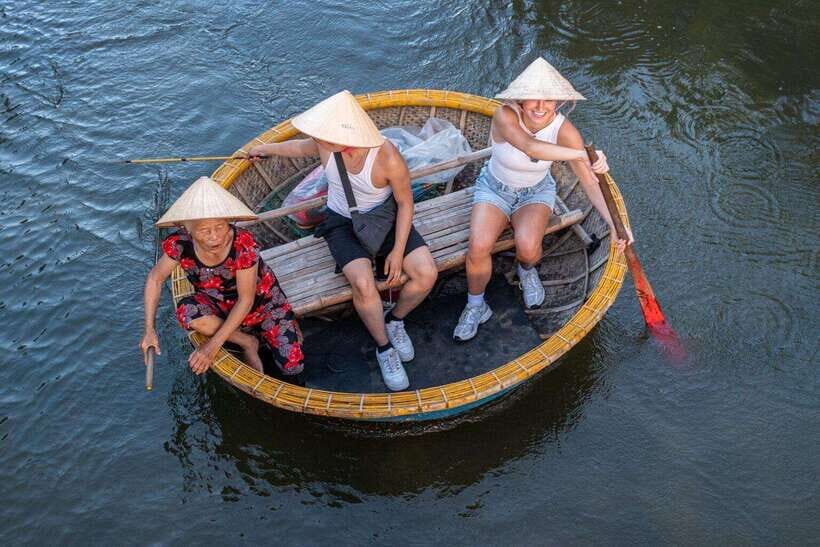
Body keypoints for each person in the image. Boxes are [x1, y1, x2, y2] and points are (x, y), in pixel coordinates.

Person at [248, 90, 437, 392]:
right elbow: (298, 147)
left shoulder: (386, 156)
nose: (319, 139)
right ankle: (384, 347)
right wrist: (266, 148)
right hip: (342, 222)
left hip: (383, 218)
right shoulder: (325, 145)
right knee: (362, 283)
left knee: (426, 273)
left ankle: (396, 319)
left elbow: (405, 203)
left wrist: (398, 251)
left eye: (325, 135)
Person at [453, 57, 634, 342]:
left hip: (535, 192)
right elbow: (529, 146)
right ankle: (476, 305)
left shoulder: (564, 130)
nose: (540, 107)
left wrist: (615, 224)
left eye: (548, 99)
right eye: (533, 99)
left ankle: (527, 271)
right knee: (478, 247)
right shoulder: (506, 115)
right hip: (494, 187)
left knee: (528, 248)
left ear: (558, 102)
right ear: (521, 100)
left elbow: (589, 180)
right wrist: (582, 155)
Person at [139, 176, 304, 377]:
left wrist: (211, 347)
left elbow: (246, 300)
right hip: (216, 303)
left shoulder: (242, 244)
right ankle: (246, 341)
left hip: (263, 305)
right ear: (188, 230)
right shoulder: (179, 243)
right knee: (187, 313)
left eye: (220, 227)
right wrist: (149, 329)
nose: (214, 236)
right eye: (204, 231)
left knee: (293, 367)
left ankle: (268, 329)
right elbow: (155, 279)